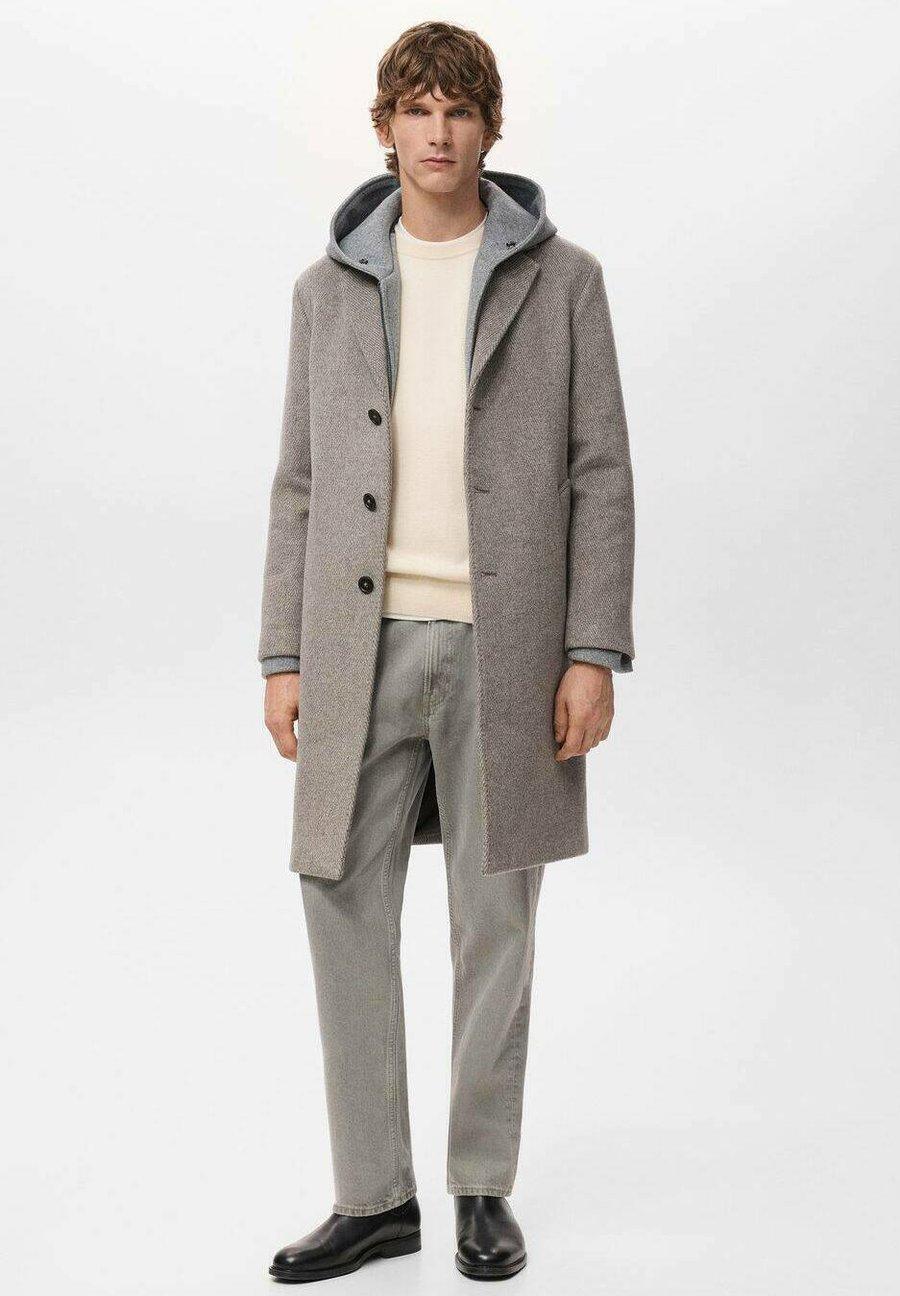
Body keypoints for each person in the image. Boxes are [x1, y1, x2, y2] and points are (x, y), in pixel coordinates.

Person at [258, 20, 636, 1283]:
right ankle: (374, 1198)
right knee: (339, 898)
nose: (438, 132)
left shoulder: (563, 280)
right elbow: (300, 484)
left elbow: (600, 471)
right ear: (384, 128)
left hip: (508, 648)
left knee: (496, 920)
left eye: (459, 110)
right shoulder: (325, 292)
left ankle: (481, 1188)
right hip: (354, 644)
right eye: (416, 110)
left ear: (489, 128)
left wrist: (592, 649)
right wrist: (282, 654)